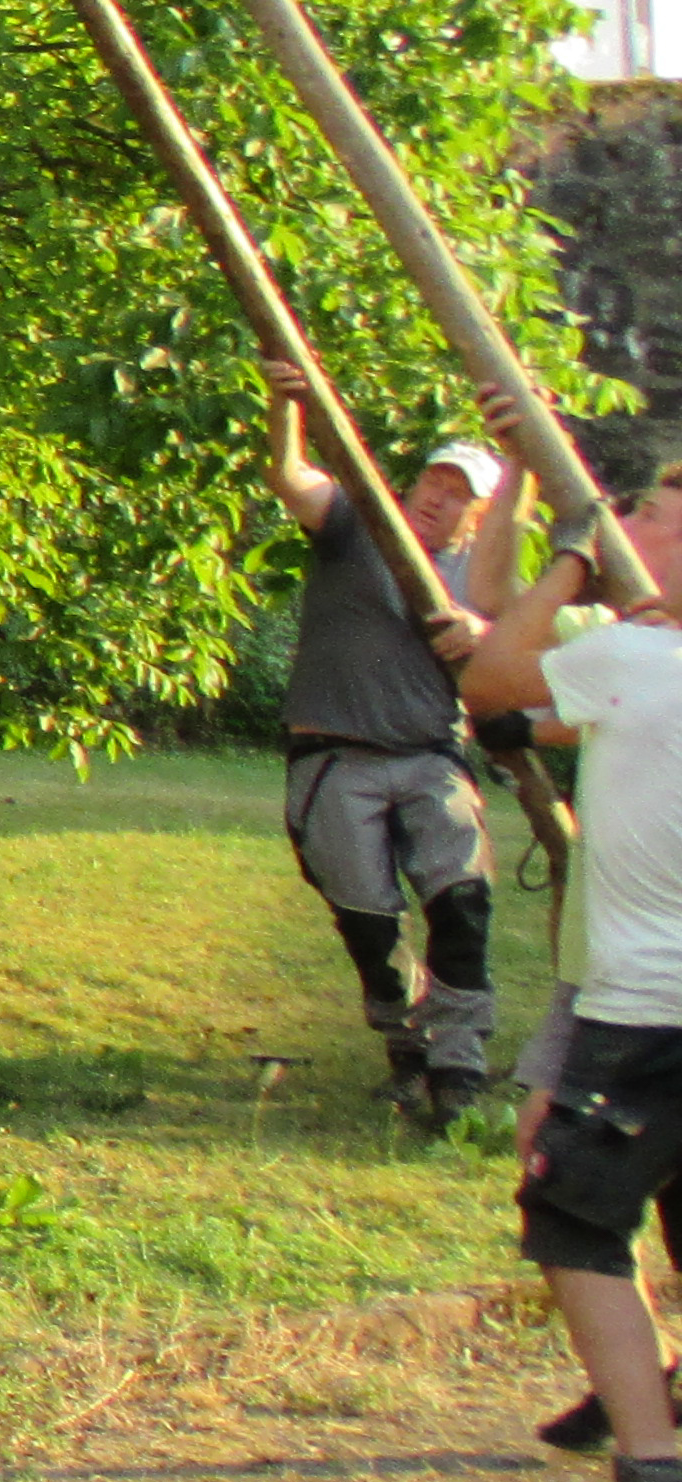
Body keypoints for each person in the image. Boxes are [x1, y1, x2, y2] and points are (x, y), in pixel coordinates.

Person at [459, 482, 682, 1482]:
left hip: (648, 1010)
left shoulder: (638, 660)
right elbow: (524, 714)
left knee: (573, 1220)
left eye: (646, 515)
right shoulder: (634, 664)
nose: (623, 527)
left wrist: (572, 565)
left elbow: (493, 679)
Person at [256, 363, 506, 1133]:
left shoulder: (482, 576)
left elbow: (516, 658)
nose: (439, 497)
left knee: (462, 905)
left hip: (431, 756)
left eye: (459, 493)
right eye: (435, 480)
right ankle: (407, 1053)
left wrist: (483, 634)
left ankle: (459, 1067)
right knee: (371, 924)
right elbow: (290, 476)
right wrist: (286, 404)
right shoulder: (356, 524)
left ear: (477, 516)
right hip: (336, 755)